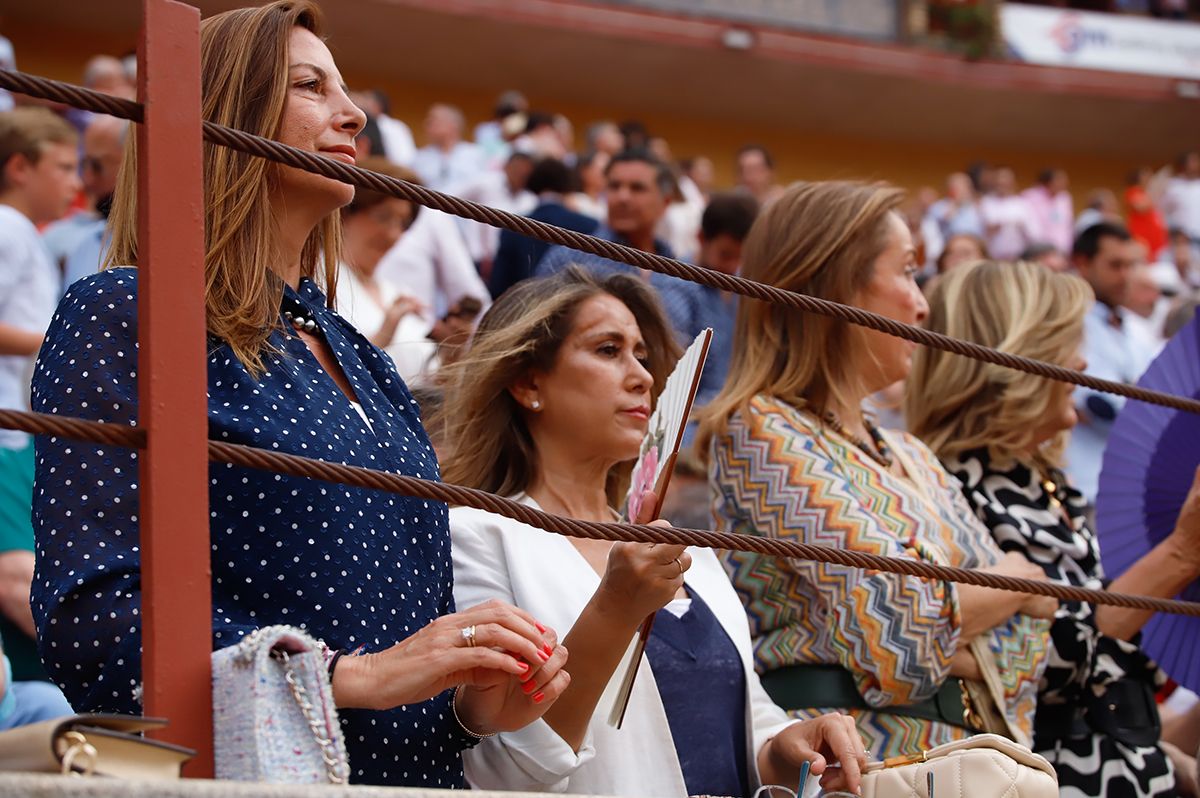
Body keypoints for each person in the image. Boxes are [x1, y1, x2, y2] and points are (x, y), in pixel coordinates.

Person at [30, 2, 568, 786]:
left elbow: (401, 655)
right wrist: (349, 676)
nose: (353, 116)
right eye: (311, 87)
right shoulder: (124, 312)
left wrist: (471, 707)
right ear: (222, 117)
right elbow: (94, 618)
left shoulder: (370, 363)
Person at [438, 266, 868, 796]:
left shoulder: (695, 557)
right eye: (607, 349)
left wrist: (788, 745)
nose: (642, 375)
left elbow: (740, 724)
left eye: (642, 355)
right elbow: (501, 770)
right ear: (529, 383)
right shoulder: (477, 537)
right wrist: (615, 608)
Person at [699, 181, 1054, 761]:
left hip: (962, 756)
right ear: (836, 284)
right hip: (852, 761)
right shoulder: (760, 427)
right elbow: (901, 620)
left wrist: (930, 623)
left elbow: (1034, 632)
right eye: (908, 271)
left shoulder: (912, 453)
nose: (922, 304)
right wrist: (1010, 587)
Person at [905, 258, 1200, 798]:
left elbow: (1125, 658)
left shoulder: (1045, 481)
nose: (1083, 361)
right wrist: (1180, 553)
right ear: (1019, 360)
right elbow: (1047, 665)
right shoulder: (947, 487)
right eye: (1067, 342)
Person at [0, 107, 78, 722]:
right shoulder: (6, 224)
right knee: (13, 567)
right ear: (19, 167)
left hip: (15, 425)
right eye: (63, 166)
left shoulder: (19, 230)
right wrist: (61, 341)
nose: (74, 183)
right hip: (4, 424)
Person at [1063, 222, 1154, 504]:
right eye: (1115, 265)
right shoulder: (1065, 324)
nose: (1125, 276)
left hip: (1133, 486)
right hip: (1083, 484)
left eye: (1130, 265)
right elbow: (1097, 406)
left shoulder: (1138, 330)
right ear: (1083, 263)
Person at [335, 156, 437, 384]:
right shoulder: (317, 283)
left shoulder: (393, 291)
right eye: (383, 217)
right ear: (344, 213)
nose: (393, 234)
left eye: (402, 223)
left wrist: (451, 351)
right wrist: (382, 336)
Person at [536, 149, 676, 280]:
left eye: (637, 188)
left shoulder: (680, 274)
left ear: (665, 202)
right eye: (614, 186)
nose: (622, 197)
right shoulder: (570, 261)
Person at [489, 157, 599, 299]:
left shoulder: (512, 227)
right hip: (573, 310)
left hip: (524, 310)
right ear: (568, 184)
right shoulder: (589, 225)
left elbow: (499, 286)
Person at [411, 103, 485, 194]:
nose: (427, 123)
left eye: (433, 120)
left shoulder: (475, 154)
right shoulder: (419, 157)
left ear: (453, 125)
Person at [980, 166, 1035, 261]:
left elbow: (1033, 233)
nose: (1002, 182)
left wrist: (1019, 225)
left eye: (1006, 180)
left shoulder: (1022, 205)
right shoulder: (984, 203)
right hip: (990, 257)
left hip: (1017, 257)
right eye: (999, 179)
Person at [1022, 167, 1074, 255]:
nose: (1064, 183)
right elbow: (1029, 225)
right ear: (1048, 181)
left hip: (1062, 250)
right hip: (1038, 250)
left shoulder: (1064, 198)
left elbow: (1068, 224)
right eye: (1059, 179)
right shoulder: (1030, 196)